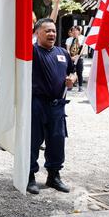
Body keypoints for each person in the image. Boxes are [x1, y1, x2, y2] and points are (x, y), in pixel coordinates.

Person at [27, 18, 76, 195]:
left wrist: (73, 79)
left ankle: (53, 176)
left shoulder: (62, 52)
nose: (52, 34)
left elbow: (72, 71)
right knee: (33, 141)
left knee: (57, 141)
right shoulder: (31, 51)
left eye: (54, 31)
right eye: (47, 30)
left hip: (57, 105)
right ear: (37, 33)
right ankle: (29, 176)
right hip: (36, 104)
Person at [65, 25, 85, 92]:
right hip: (71, 57)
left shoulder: (83, 38)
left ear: (79, 31)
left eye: (76, 30)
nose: (74, 31)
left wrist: (77, 39)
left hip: (79, 58)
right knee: (70, 72)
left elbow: (82, 48)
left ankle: (80, 86)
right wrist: (70, 57)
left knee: (79, 72)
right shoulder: (69, 39)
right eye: (73, 30)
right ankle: (70, 85)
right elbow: (67, 49)